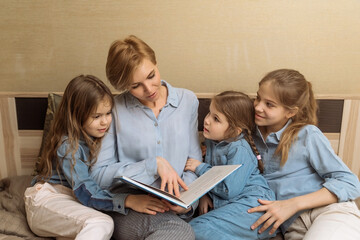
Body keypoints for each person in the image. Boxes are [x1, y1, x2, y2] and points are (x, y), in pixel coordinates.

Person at [90, 35, 202, 240]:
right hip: (133, 207)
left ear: (156, 62)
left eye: (151, 75)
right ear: (124, 86)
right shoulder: (114, 109)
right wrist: (152, 165)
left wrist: (186, 203)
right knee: (179, 233)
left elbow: (193, 162)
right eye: (135, 86)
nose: (149, 89)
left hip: (175, 208)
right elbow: (98, 175)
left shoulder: (187, 101)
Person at [248, 69, 360, 240]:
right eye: (258, 98)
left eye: (269, 104)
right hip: (292, 226)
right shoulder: (247, 136)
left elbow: (350, 183)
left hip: (328, 212)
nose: (258, 106)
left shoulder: (307, 135)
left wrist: (292, 204)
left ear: (290, 112)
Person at [24, 75, 121, 240]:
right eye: (96, 116)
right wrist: (126, 201)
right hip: (45, 201)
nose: (105, 122)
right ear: (76, 116)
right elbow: (85, 190)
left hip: (70, 202)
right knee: (101, 223)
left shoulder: (101, 138)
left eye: (108, 113)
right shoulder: (68, 145)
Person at [184, 91, 276, 239]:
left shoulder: (239, 149)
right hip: (233, 207)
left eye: (216, 119)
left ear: (235, 130)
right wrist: (204, 195)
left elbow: (228, 190)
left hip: (255, 208)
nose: (207, 120)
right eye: (209, 113)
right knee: (188, 227)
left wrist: (200, 168)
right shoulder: (213, 141)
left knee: (193, 229)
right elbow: (216, 179)